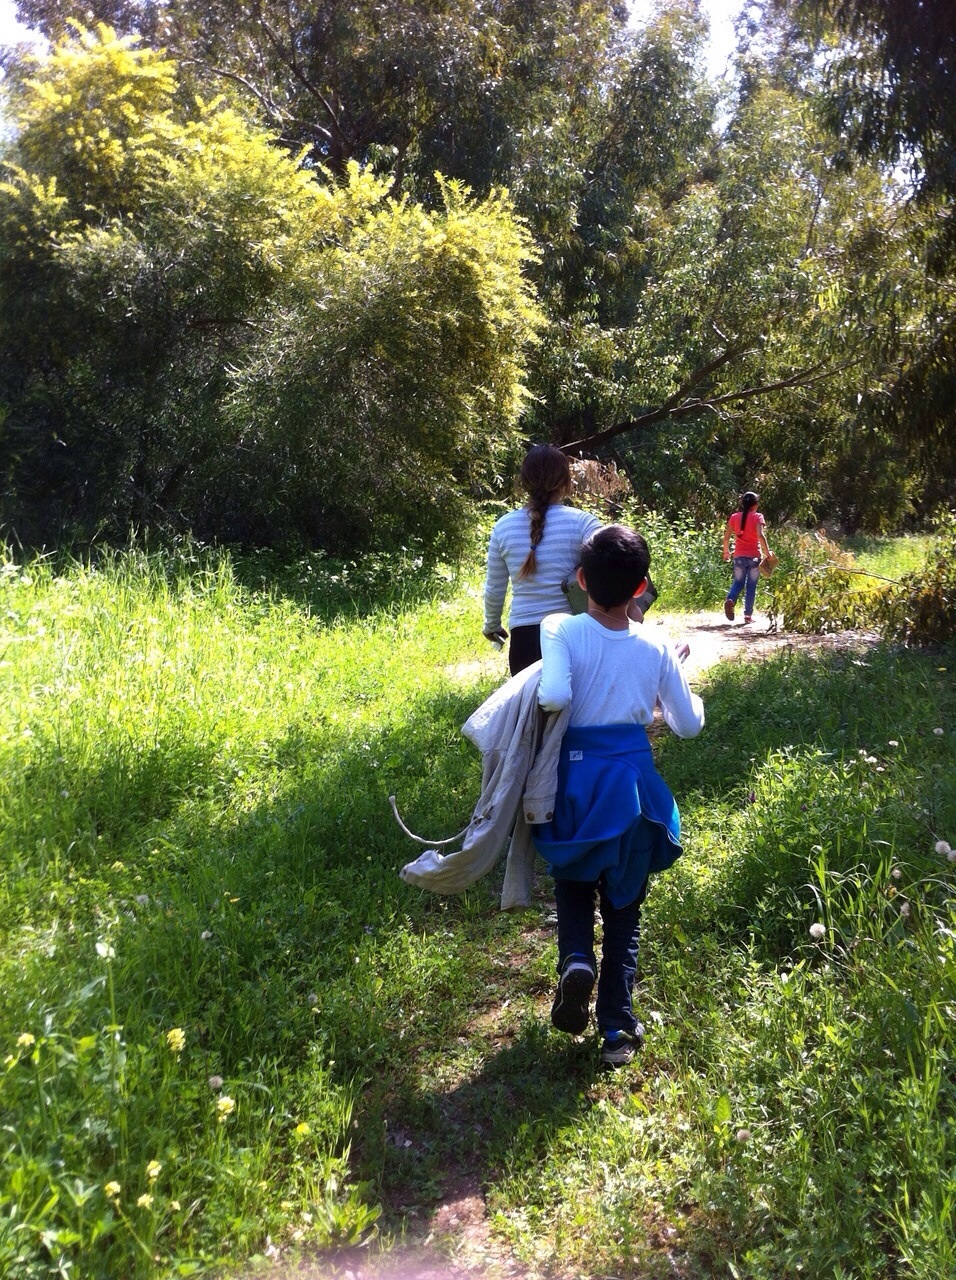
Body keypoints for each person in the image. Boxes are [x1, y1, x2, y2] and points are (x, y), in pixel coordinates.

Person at [532, 525, 704, 1067]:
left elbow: (555, 693)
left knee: (574, 880)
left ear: (581, 580)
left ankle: (577, 957)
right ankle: (616, 1029)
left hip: (576, 784)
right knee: (625, 908)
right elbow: (688, 726)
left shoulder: (560, 626)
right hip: (630, 788)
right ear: (642, 587)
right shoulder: (654, 644)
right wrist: (678, 673)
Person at [483, 444, 601, 676]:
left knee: (531, 711)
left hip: (524, 639)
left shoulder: (503, 527)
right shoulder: (583, 523)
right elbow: (611, 564)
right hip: (573, 633)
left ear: (523, 482)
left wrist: (492, 625)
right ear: (566, 482)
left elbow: (494, 588)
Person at [722, 490, 771, 623]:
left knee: (738, 582)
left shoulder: (734, 517)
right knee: (751, 586)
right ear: (755, 505)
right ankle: (748, 616)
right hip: (754, 557)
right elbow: (760, 536)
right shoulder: (758, 517)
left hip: (738, 557)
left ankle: (730, 599)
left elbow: (726, 538)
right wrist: (767, 553)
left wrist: (726, 552)